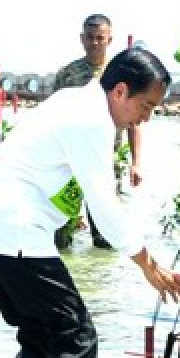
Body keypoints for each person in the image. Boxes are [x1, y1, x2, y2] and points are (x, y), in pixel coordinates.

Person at [0, 47, 180, 358]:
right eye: (146, 107)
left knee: (41, 339)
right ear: (121, 90)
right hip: (16, 231)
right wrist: (148, 266)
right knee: (77, 338)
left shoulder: (72, 100)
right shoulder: (91, 121)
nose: (145, 119)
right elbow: (106, 207)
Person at [51, 14, 143, 249]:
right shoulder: (68, 75)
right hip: (68, 162)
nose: (94, 43)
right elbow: (51, 118)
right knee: (61, 236)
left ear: (109, 40)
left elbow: (135, 121)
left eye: (100, 38)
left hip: (105, 160)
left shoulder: (121, 76)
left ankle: (102, 282)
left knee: (105, 235)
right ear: (82, 39)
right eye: (90, 38)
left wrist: (136, 162)